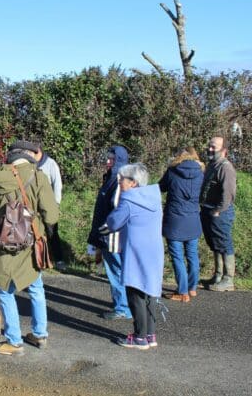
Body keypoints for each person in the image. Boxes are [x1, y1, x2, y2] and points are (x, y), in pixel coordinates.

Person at [0, 141, 59, 356]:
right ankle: (40, 334)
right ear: (29, 157)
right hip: (31, 242)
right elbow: (52, 216)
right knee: (35, 286)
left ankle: (14, 341)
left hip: (3, 244)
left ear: (10, 157)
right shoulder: (39, 177)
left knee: (5, 291)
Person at [103, 163, 163, 350]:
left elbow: (113, 222)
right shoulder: (154, 196)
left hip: (136, 250)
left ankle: (139, 337)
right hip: (154, 248)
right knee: (150, 291)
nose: (119, 182)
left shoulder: (129, 200)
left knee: (134, 291)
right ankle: (150, 335)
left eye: (122, 179)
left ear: (133, 183)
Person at [87, 145, 132, 320]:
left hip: (113, 235)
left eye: (111, 158)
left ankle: (123, 307)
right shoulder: (112, 177)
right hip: (110, 233)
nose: (107, 161)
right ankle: (125, 305)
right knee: (118, 270)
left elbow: (119, 208)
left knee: (117, 271)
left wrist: (104, 231)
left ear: (118, 160)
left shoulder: (119, 179)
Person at [159, 147, 204, 302]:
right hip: (193, 219)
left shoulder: (172, 172)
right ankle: (192, 289)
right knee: (192, 255)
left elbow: (161, 187)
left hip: (175, 220)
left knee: (178, 257)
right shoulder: (200, 173)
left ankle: (182, 292)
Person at [200, 136, 237, 292]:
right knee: (215, 244)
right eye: (209, 146)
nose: (209, 149)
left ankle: (228, 280)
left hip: (219, 212)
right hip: (208, 210)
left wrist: (218, 211)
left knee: (224, 243)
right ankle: (218, 275)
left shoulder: (225, 167)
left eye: (213, 147)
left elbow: (228, 193)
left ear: (224, 150)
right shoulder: (211, 165)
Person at [35, 145, 65, 269]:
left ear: (39, 151)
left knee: (52, 232)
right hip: (34, 206)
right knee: (36, 233)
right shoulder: (30, 164)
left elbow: (57, 184)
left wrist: (56, 204)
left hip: (49, 205)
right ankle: (39, 259)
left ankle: (59, 260)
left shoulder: (51, 164)